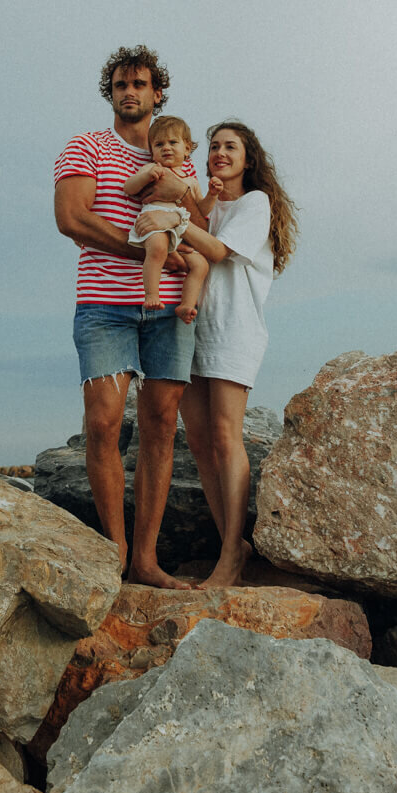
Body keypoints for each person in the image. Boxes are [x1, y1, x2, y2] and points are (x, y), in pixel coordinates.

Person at [53, 45, 206, 589]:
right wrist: (144, 250)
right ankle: (114, 557)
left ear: (157, 92)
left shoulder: (179, 156)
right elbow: (71, 218)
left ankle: (146, 560)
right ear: (111, 92)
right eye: (120, 84)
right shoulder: (87, 146)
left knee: (162, 426)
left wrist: (185, 195)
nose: (129, 92)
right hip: (104, 305)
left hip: (171, 309)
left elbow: (202, 220)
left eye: (140, 84)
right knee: (103, 423)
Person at [134, 120, 298, 587]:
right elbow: (187, 243)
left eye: (231, 147)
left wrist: (175, 219)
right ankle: (234, 542)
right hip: (192, 327)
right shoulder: (203, 203)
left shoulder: (255, 202)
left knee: (227, 438)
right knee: (202, 444)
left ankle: (229, 556)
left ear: (249, 159)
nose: (220, 153)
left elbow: (220, 253)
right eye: (214, 147)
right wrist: (178, 212)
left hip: (233, 330)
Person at [121, 115, 215, 324]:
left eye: (173, 142)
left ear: (187, 148)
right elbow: (129, 188)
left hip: (179, 228)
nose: (166, 148)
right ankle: (152, 294)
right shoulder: (153, 169)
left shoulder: (190, 180)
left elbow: (201, 210)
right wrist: (146, 176)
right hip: (154, 222)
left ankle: (187, 304)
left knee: (200, 265)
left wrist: (212, 195)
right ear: (152, 151)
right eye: (159, 144)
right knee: (158, 250)